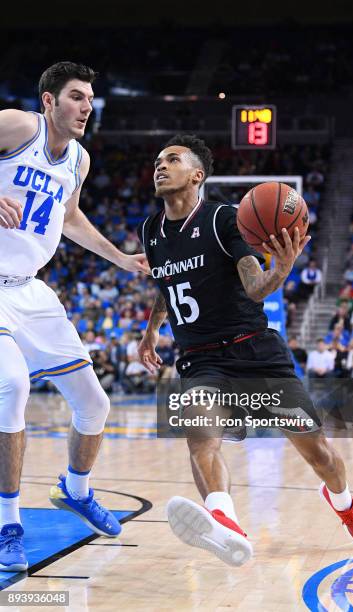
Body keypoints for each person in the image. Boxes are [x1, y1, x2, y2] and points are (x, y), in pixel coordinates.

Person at [137, 135, 353, 567]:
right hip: (201, 359)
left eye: (172, 159)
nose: (160, 165)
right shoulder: (151, 230)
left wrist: (281, 269)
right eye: (157, 160)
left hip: (254, 351)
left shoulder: (223, 219)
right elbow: (164, 284)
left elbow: (255, 288)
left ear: (197, 175)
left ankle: (344, 503)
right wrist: (151, 331)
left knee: (319, 454)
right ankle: (223, 520)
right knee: (201, 439)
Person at [0, 61, 149, 571]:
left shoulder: (78, 161)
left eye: (89, 98)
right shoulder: (19, 126)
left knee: (95, 403)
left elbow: (68, 218)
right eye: (76, 97)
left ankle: (75, 488)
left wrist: (122, 259)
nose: (87, 106)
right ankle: (8, 524)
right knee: (12, 386)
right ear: (48, 101)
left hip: (30, 291)